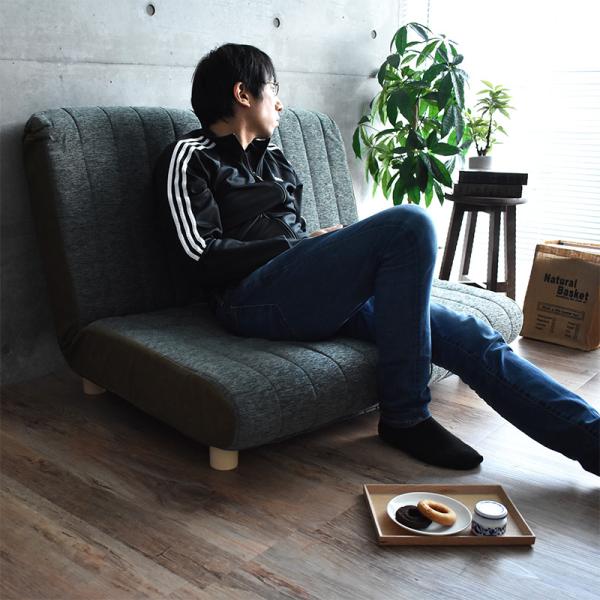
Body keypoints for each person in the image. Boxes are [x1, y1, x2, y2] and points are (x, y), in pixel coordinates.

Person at [154, 43, 599, 475]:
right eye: (274, 88)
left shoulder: (274, 160)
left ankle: (592, 442)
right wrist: (299, 246)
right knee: (409, 223)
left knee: (469, 334)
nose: (281, 102)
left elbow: (296, 238)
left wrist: (313, 248)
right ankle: (406, 417)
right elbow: (201, 257)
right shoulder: (189, 158)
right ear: (243, 93)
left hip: (307, 292)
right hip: (247, 300)